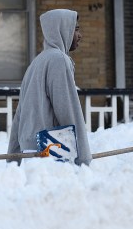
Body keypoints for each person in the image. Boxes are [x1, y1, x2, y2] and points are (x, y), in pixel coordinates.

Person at [7, 9, 92, 166]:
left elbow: (20, 115)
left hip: (30, 151)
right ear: (62, 29)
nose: (80, 35)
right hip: (51, 149)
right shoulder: (58, 60)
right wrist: (84, 158)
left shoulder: (37, 62)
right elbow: (69, 111)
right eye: (76, 29)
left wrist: (13, 157)